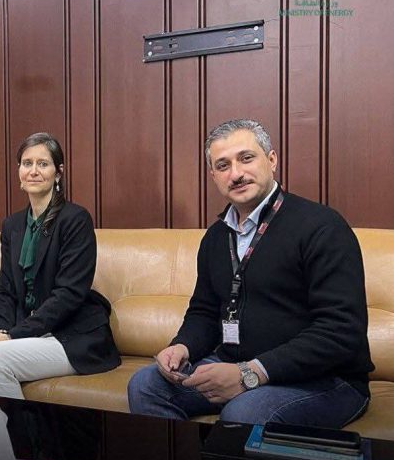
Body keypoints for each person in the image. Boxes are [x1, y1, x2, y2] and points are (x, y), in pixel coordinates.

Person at [127, 119, 373, 427]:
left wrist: (250, 373)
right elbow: (204, 312)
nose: (236, 174)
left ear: (272, 160)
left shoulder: (322, 226)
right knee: (146, 385)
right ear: (213, 175)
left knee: (244, 412)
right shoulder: (216, 237)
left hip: (325, 379)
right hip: (235, 364)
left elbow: (340, 330)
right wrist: (182, 346)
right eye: (223, 165)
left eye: (246, 158)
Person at [0, 132, 121, 399]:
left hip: (71, 336)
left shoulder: (76, 219)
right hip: (26, 332)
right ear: (19, 171)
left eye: (43, 164)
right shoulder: (12, 226)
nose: (34, 171)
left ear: (58, 173)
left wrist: (14, 335)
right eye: (27, 163)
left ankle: (14, 427)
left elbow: (69, 295)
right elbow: (5, 289)